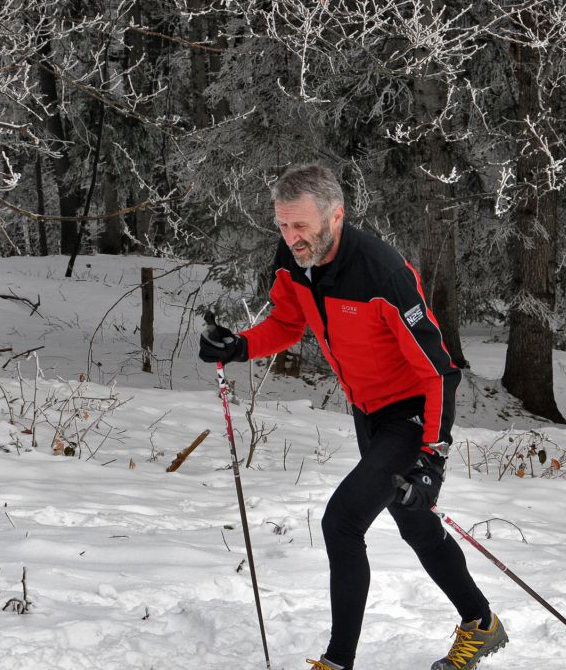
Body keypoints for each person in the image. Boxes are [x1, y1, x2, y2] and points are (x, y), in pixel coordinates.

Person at [199, 164, 508, 670]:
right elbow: (287, 322)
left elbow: (439, 373)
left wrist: (432, 458)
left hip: (412, 413)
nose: (291, 238)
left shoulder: (383, 273)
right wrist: (239, 347)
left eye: (301, 227)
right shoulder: (294, 258)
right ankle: (482, 624)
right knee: (415, 524)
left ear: (336, 216)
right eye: (282, 226)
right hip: (368, 413)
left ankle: (337, 661)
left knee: (341, 523)